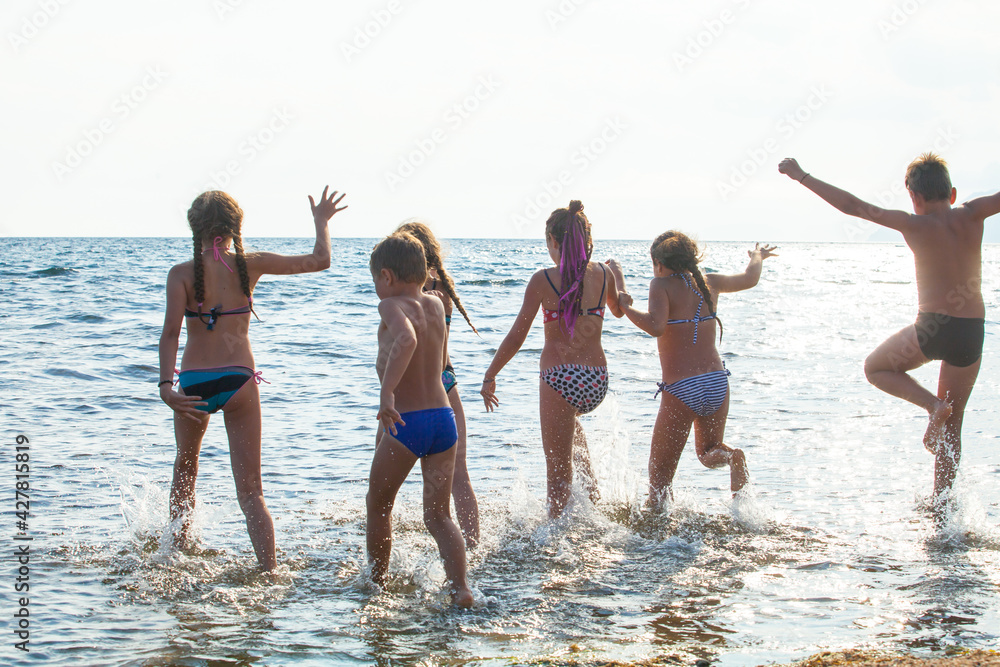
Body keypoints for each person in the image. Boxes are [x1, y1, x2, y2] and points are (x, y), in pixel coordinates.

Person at [779, 154, 999, 497]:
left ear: (914, 197)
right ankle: (941, 513)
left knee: (875, 367)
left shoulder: (911, 223)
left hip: (932, 327)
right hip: (972, 330)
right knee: (953, 427)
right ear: (952, 193)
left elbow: (852, 206)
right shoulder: (974, 212)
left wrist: (801, 176)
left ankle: (931, 405)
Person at [158, 187, 347, 571]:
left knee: (185, 470)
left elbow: (171, 335)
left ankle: (174, 558)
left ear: (194, 228)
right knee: (251, 492)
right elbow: (319, 260)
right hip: (239, 382)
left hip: (192, 384)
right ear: (234, 228)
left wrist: (165, 387)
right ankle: (269, 571)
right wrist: (321, 222)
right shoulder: (251, 264)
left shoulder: (179, 275)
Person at [480, 200, 625, 519]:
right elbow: (619, 308)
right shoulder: (604, 273)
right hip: (597, 380)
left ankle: (553, 543)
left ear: (554, 242)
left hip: (560, 379)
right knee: (572, 427)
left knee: (557, 479)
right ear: (585, 239)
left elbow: (517, 337)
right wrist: (619, 276)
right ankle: (593, 503)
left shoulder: (543, 280)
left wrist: (490, 375)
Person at [610, 234, 776, 505]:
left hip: (682, 390)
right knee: (709, 452)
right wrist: (757, 255)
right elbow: (750, 279)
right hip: (717, 383)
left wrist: (626, 307)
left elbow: (656, 326)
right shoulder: (710, 282)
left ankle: (655, 540)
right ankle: (732, 457)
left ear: (659, 264)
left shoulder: (660, 284)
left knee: (659, 482)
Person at [367, 232, 474, 607]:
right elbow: (442, 362)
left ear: (387, 276)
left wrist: (387, 393)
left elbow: (407, 340)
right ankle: (461, 589)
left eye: (375, 281)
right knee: (439, 516)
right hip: (443, 421)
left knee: (378, 504)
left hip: (406, 422)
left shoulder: (391, 306)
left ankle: (377, 585)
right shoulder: (436, 304)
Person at [395, 221, 480, 548]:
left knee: (384, 479)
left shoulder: (409, 294)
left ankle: (379, 554)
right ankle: (472, 548)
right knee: (460, 477)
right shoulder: (441, 289)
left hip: (414, 393)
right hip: (447, 385)